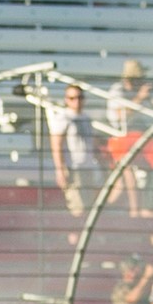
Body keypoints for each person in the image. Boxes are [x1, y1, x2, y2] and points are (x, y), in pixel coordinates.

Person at [48, 83, 101, 215]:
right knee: (78, 209)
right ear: (66, 99)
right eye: (72, 98)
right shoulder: (62, 118)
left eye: (80, 97)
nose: (77, 101)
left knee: (89, 209)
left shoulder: (86, 118)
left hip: (87, 168)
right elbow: (56, 144)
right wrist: (60, 169)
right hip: (73, 169)